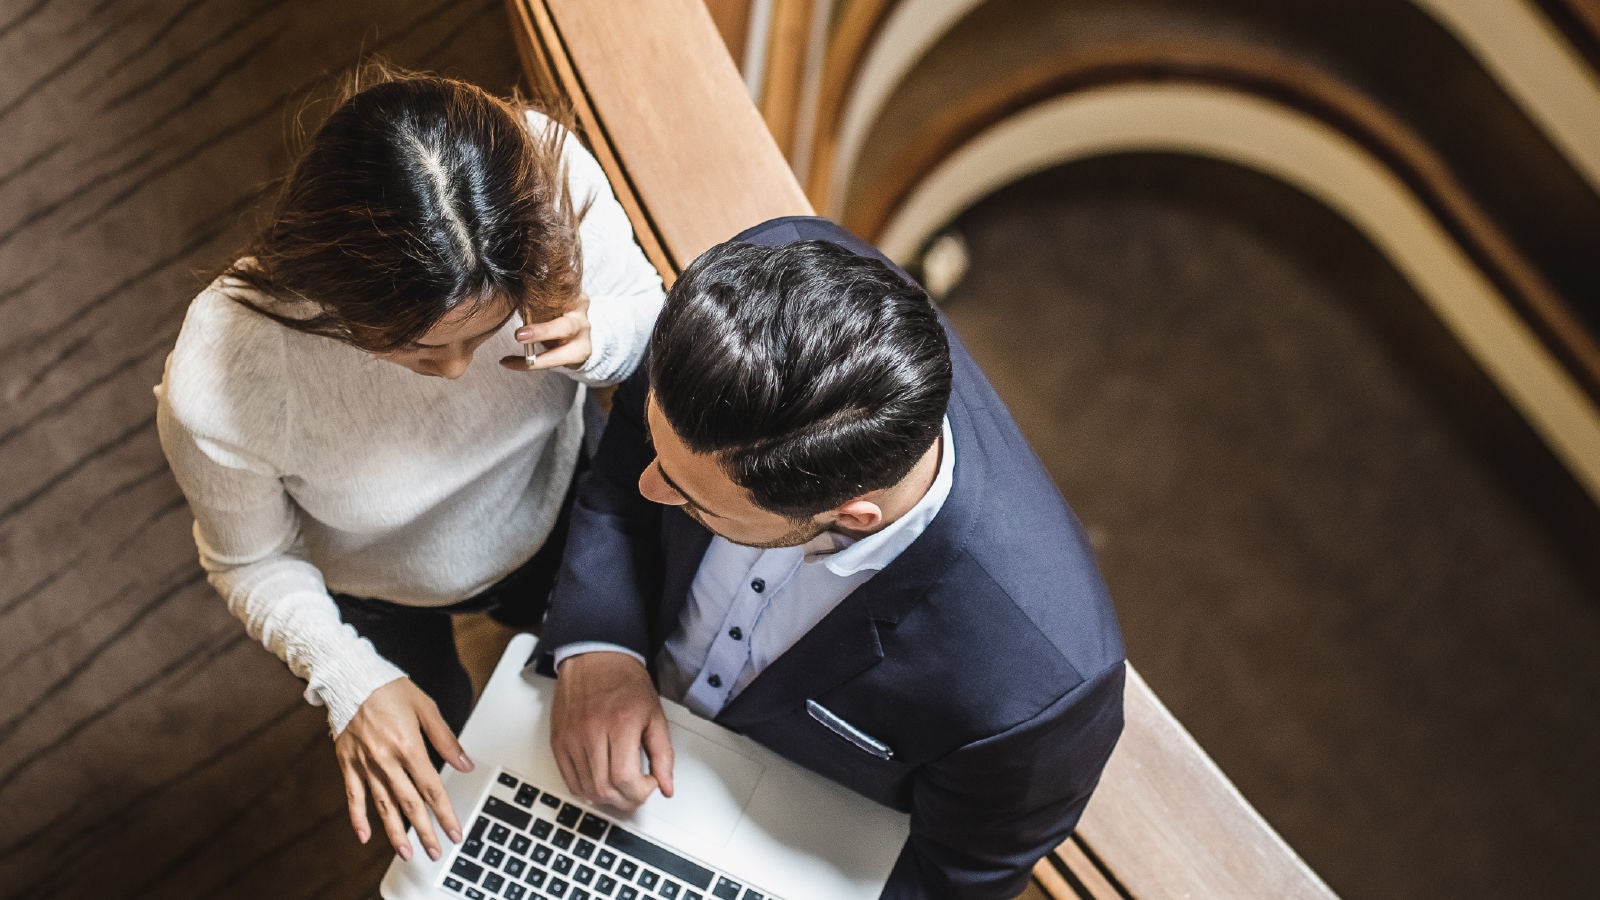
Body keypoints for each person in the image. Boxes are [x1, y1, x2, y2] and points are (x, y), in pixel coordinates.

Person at [154, 66, 663, 866]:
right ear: (333, 295)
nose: (461, 371)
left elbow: (644, 308)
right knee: (443, 809)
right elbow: (247, 558)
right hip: (380, 589)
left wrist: (607, 338)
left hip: (555, 496)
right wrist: (346, 677)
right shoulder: (223, 379)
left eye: (483, 335)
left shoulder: (545, 176)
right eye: (420, 349)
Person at [538, 216, 1126, 898]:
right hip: (590, 728)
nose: (651, 484)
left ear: (850, 516)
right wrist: (600, 647)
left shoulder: (1040, 685)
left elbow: (946, 884)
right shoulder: (741, 303)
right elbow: (621, 483)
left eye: (696, 502)